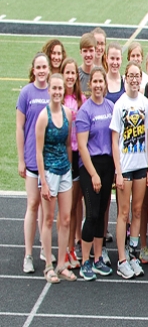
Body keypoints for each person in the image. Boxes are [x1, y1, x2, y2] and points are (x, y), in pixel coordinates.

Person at [110, 60, 148, 279]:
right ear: (125, 78)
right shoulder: (120, 104)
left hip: (140, 167)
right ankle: (122, 259)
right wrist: (118, 171)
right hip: (125, 168)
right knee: (124, 213)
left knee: (137, 212)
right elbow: (115, 139)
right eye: (132, 76)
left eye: (138, 76)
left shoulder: (145, 103)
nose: (135, 79)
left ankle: (134, 254)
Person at [35, 73, 76, 283]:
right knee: (49, 219)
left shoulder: (68, 113)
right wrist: (42, 181)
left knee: (66, 218)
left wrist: (68, 166)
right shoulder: (43, 117)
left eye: (61, 89)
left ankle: (62, 263)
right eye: (54, 89)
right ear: (49, 90)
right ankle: (48, 266)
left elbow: (69, 144)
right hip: (49, 172)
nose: (58, 92)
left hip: (64, 171)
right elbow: (38, 151)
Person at [76, 67, 116, 280]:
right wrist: (93, 174)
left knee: (101, 213)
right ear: (90, 84)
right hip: (90, 166)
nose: (99, 85)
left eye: (102, 81)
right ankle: (85, 261)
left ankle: (99, 257)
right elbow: (82, 146)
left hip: (107, 164)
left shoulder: (111, 107)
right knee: (91, 213)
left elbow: (114, 140)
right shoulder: (85, 111)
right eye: (95, 82)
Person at [18, 53, 51, 274]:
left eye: (44, 67)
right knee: (33, 204)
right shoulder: (26, 93)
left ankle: (44, 248)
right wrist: (21, 159)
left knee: (47, 208)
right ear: (34, 69)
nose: (41, 70)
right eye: (38, 67)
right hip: (31, 158)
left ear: (49, 69)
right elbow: (19, 128)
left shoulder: (53, 92)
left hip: (50, 160)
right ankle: (28, 254)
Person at [61, 58, 86, 271]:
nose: (70, 77)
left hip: (78, 156)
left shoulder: (81, 99)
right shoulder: (58, 99)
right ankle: (64, 249)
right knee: (66, 208)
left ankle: (71, 247)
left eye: (73, 73)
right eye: (67, 73)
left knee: (77, 204)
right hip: (63, 157)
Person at [78, 33, 97, 98]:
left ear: (96, 51)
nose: (88, 55)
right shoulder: (76, 74)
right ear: (80, 52)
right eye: (85, 51)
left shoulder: (100, 73)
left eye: (91, 50)